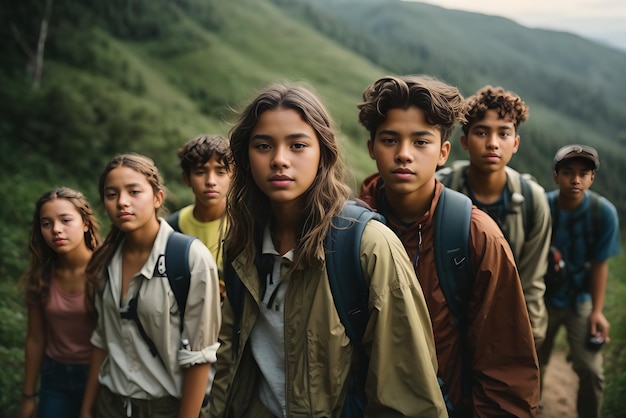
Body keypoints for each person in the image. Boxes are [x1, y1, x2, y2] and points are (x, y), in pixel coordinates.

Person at [208, 82, 447, 417]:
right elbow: (228, 367)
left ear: (323, 152)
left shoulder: (368, 246)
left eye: (297, 145)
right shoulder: (243, 244)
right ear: (246, 156)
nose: (279, 160)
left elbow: (409, 398)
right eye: (263, 145)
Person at [358, 75, 540, 417]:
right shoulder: (346, 230)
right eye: (390, 139)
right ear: (372, 148)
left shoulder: (476, 236)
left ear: (443, 152)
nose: (404, 154)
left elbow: (505, 367)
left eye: (421, 142)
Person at [78, 153, 221, 418]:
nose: (122, 202)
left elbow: (200, 356)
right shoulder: (105, 261)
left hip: (165, 408)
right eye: (112, 194)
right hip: (109, 404)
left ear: (157, 197)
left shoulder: (189, 258)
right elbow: (102, 339)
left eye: (134, 192)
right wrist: (87, 409)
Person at [437, 85, 550, 349]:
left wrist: (530, 336)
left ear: (516, 143)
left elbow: (532, 278)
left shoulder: (532, 199)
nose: (492, 143)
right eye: (481, 132)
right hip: (447, 322)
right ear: (464, 142)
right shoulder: (441, 189)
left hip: (505, 322)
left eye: (504, 133)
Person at [538, 145, 620, 418]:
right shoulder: (541, 208)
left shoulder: (603, 214)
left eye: (584, 173)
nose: (575, 180)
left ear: (592, 178)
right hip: (542, 299)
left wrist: (597, 312)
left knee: (592, 371)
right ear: (555, 176)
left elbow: (600, 266)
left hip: (579, 301)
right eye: (568, 173)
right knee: (532, 364)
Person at [18, 187, 100, 418]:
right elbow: (35, 338)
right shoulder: (42, 276)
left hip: (102, 377)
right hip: (55, 378)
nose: (56, 230)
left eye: (65, 220)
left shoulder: (107, 271)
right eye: (46, 223)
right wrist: (28, 396)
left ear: (85, 223)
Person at [168, 134, 232, 300]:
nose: (211, 181)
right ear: (186, 179)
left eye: (220, 172)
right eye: (200, 172)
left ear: (233, 177)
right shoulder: (172, 228)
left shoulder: (248, 224)